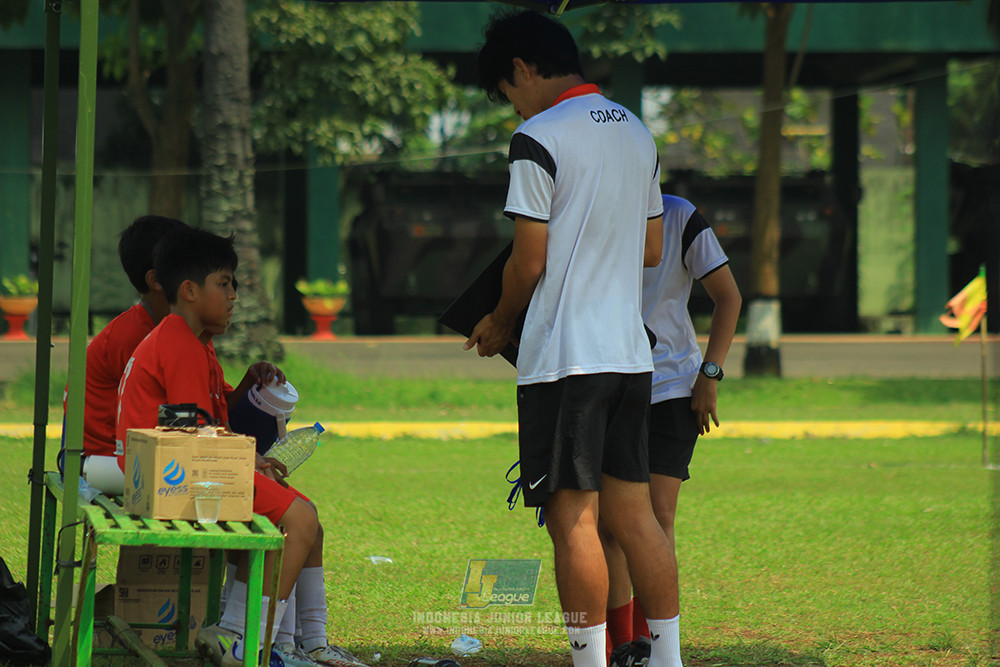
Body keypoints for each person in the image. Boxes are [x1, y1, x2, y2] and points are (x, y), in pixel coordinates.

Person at [467, 12, 679, 667]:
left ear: (524, 70)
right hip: (628, 356)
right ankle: (667, 659)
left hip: (565, 360)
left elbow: (528, 262)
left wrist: (499, 321)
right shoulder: (637, 132)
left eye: (509, 91)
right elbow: (651, 248)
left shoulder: (537, 137)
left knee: (574, 520)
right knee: (636, 515)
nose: (514, 104)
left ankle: (589, 660)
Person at [114, 227, 358, 667]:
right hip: (172, 480)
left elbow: (202, 419)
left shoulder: (190, 342)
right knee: (298, 519)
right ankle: (251, 646)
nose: (233, 295)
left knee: (307, 519)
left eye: (234, 285)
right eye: (223, 284)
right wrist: (249, 461)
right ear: (189, 290)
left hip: (173, 470)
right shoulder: (180, 344)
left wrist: (248, 398)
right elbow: (193, 436)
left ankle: (302, 642)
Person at [602, 195, 742, 666]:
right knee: (607, 527)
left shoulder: (680, 214)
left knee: (656, 519)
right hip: (608, 384)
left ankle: (653, 646)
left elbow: (729, 296)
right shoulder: (592, 205)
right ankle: (619, 648)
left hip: (670, 390)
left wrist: (710, 374)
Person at [63, 214, 188, 495]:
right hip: (103, 462)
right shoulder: (135, 335)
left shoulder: (175, 329)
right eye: (187, 263)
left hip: (126, 456)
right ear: (156, 279)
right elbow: (181, 416)